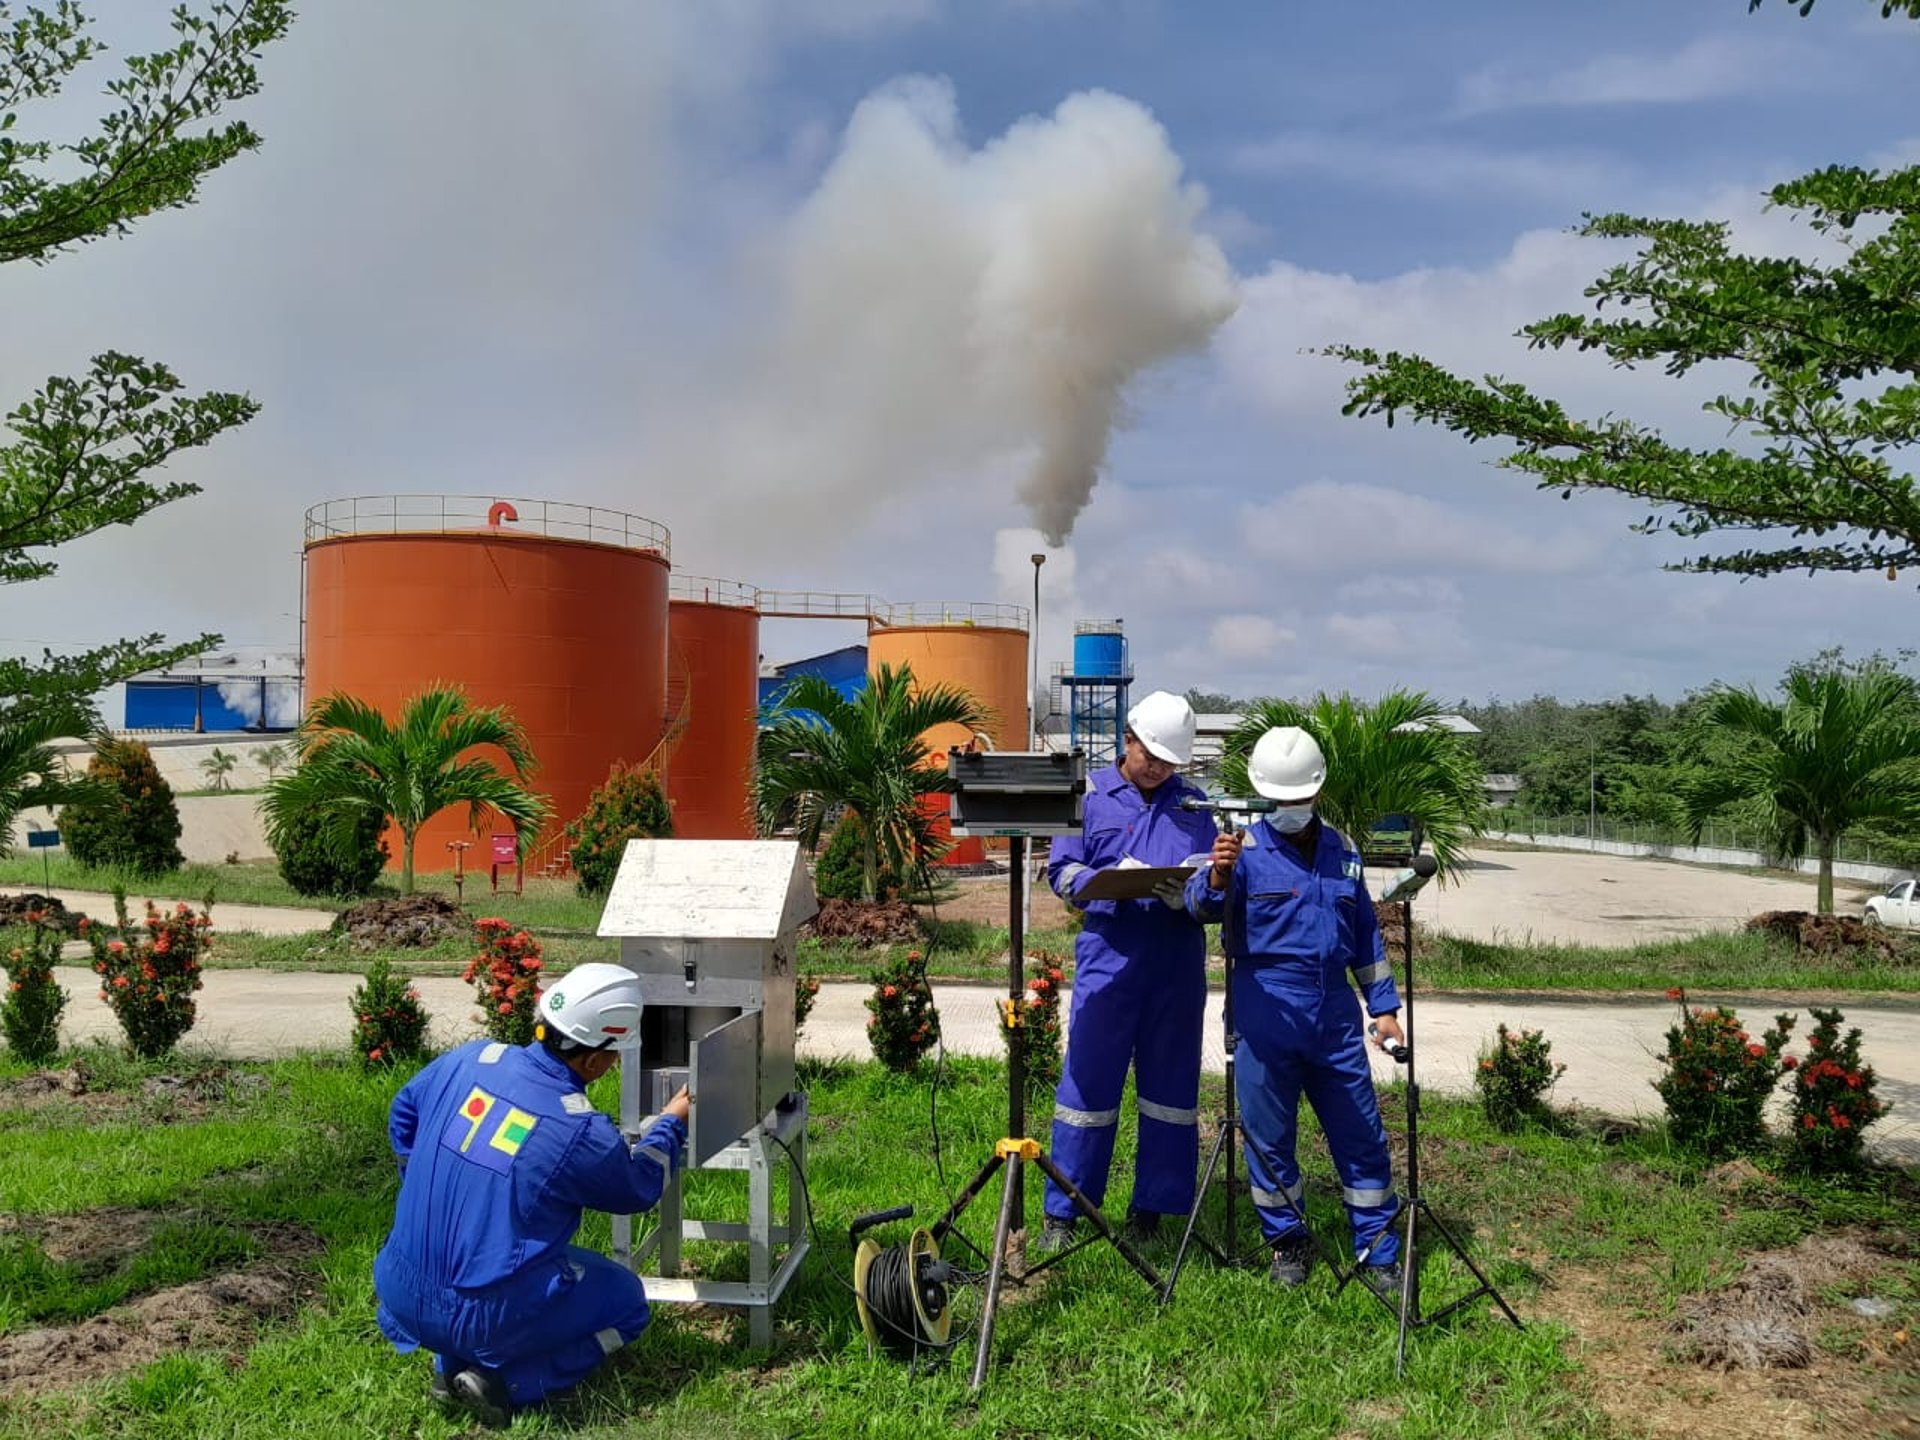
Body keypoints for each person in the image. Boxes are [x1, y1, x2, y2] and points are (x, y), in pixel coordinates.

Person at [373, 962, 691, 1429]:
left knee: (522, 1265)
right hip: (481, 1314)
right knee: (626, 1302)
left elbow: (403, 1111)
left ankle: (449, 1366)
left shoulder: (472, 1058)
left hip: (400, 1282)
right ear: (594, 1061)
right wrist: (670, 1123)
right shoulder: (577, 1128)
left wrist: (421, 1183)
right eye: (614, 1055)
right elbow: (638, 1187)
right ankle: (511, 1383)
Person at [1185, 725, 1408, 1298]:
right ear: (1263, 796)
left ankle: (1378, 1250)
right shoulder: (1241, 852)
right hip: (1264, 1005)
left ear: (1316, 792)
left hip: (1333, 1013)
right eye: (1278, 801)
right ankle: (1287, 1241)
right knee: (1268, 1136)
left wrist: (1383, 1009)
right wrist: (1217, 874)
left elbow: (1364, 937)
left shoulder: (1342, 853)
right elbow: (1197, 906)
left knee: (1362, 1133)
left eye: (1298, 799)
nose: (1289, 809)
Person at [1035, 689, 1220, 1253]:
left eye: (1171, 762)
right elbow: (1060, 871)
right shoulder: (1088, 794)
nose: (1160, 768)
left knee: (1171, 1090)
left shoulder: (1194, 806)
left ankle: (1155, 1208)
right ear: (1128, 739)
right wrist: (1100, 884)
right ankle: (1067, 1211)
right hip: (1108, 957)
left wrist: (1194, 895)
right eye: (1152, 757)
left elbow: (1213, 887)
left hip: (1175, 963)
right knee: (1088, 1086)